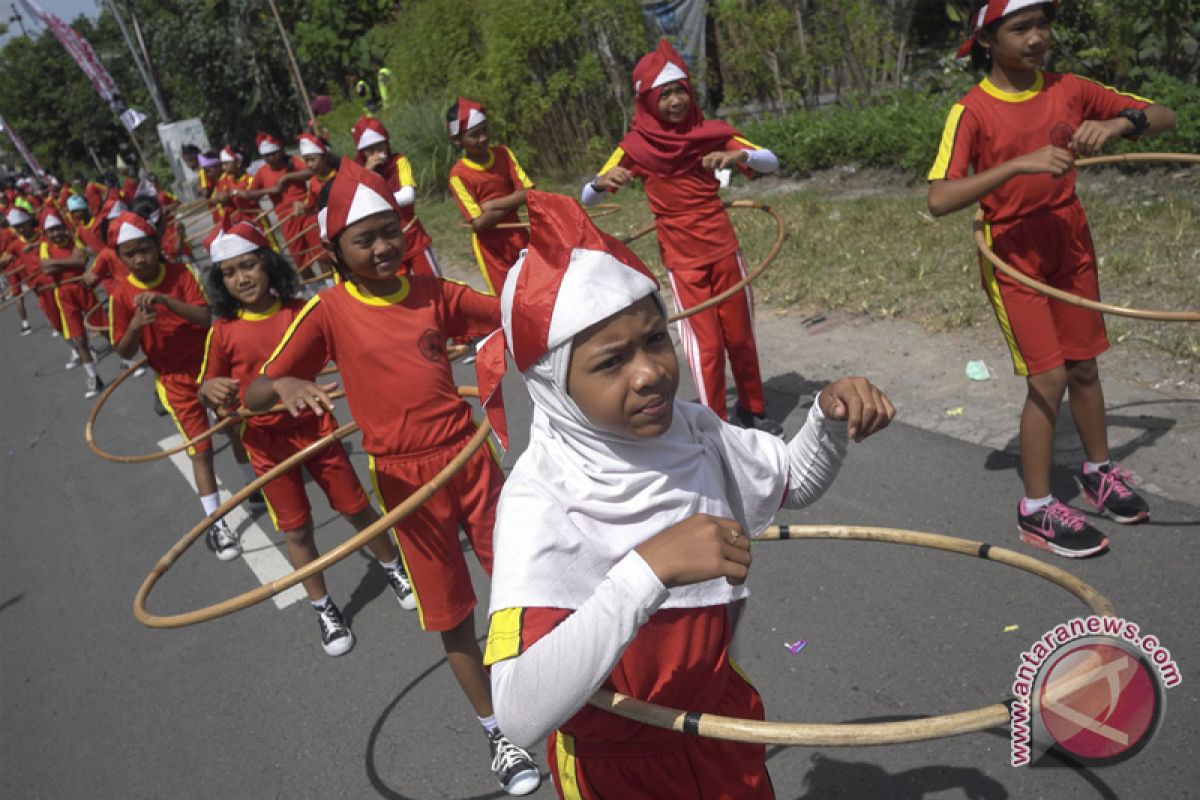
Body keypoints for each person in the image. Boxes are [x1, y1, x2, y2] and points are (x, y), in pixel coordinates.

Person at [477, 191, 894, 798]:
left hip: (719, 721)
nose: (648, 372)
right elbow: (518, 709)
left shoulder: (691, 428)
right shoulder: (540, 500)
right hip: (618, 762)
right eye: (611, 361)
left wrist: (828, 421)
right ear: (554, 385)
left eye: (655, 340)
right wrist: (649, 569)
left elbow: (790, 481)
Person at [245, 159, 541, 796]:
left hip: (470, 459)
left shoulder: (435, 294)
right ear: (336, 252)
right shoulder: (328, 311)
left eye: (390, 230)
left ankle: (567, 686)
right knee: (452, 612)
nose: (383, 246)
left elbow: (511, 315)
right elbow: (255, 390)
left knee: (526, 576)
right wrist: (286, 382)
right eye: (365, 238)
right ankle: (499, 734)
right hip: (405, 484)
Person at [927, 0, 1176, 557]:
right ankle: (1036, 508)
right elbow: (940, 197)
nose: (1037, 37)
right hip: (1014, 254)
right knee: (1048, 380)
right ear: (987, 40)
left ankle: (1098, 471)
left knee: (1084, 366)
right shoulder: (972, 110)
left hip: (1070, 241)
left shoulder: (1068, 87)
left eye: (1043, 24)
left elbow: (1165, 115)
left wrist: (1115, 124)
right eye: (1021, 28)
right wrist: (1017, 164)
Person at [199, 221, 417, 656]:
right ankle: (323, 607)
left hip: (316, 431)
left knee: (357, 508)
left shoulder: (303, 310)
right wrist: (212, 390)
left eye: (249, 266)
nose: (241, 278)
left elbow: (350, 347)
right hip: (267, 447)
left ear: (268, 265)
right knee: (297, 530)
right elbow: (210, 384)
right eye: (229, 272)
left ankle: (393, 567)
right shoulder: (223, 331)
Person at [581, 39, 784, 436]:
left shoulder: (710, 133)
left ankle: (752, 408)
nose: (675, 100)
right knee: (705, 346)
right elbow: (589, 196)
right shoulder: (635, 148)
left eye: (680, 91)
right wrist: (601, 182)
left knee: (740, 338)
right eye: (665, 93)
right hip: (683, 259)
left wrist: (738, 157)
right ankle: (715, 422)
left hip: (723, 248)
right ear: (647, 100)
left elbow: (770, 160)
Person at [107, 211, 262, 560]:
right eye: (130, 253)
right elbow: (124, 350)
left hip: (211, 367)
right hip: (175, 383)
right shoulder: (120, 295)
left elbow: (207, 317)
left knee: (238, 430)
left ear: (156, 245)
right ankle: (217, 524)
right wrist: (135, 325)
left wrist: (166, 303)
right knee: (201, 451)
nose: (139, 258)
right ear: (120, 257)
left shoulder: (180, 273)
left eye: (144, 249)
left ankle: (254, 489)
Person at [446, 98, 534, 295]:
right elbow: (478, 223)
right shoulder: (458, 174)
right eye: (474, 135)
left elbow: (529, 193)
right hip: (491, 251)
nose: (483, 138)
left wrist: (491, 205)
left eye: (484, 130)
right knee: (507, 300)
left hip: (520, 236)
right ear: (457, 140)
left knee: (535, 289)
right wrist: (514, 200)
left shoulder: (504, 153)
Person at [351, 116, 440, 277]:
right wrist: (367, 174)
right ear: (362, 152)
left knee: (433, 281)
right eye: (370, 149)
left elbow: (407, 196)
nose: (377, 153)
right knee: (399, 290)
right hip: (385, 243)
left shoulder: (399, 162)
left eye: (380, 146)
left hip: (412, 235)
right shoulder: (358, 174)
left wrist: (378, 200)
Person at [38, 211, 104, 397]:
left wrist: (56, 263)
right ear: (47, 233)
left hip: (83, 287)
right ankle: (94, 379)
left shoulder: (75, 239)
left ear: (64, 227)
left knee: (104, 326)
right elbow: (45, 268)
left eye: (58, 228)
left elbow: (81, 260)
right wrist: (70, 261)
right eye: (51, 231)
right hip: (64, 294)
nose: (56, 233)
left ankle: (127, 361)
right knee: (79, 339)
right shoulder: (44, 246)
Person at [239, 132, 323, 278]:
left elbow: (310, 171)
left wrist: (287, 177)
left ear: (280, 151)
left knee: (320, 251)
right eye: (266, 156)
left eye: (273, 154)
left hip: (305, 210)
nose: (270, 158)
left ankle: (330, 282)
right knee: (299, 258)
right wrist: (269, 190)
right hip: (286, 218)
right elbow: (249, 195)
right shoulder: (262, 171)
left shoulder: (292, 161)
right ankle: (313, 287)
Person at [2, 206, 37, 336]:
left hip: (12, 265)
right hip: (18, 262)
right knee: (37, 290)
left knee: (19, 296)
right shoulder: (8, 231)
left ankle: (25, 324)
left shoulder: (7, 232)